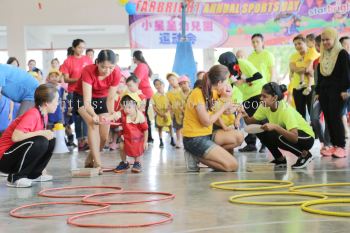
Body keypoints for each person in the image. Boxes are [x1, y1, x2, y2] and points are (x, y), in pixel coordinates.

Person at [182, 65, 243, 172]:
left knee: (239, 136)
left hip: (207, 134)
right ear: (219, 83)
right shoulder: (198, 93)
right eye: (226, 81)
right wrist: (224, 105)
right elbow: (206, 122)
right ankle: (196, 157)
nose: (228, 84)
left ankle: (206, 154)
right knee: (232, 165)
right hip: (194, 139)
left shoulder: (213, 92)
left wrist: (227, 99)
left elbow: (225, 110)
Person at [242, 82, 315, 169]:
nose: (261, 99)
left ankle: (305, 155)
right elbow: (251, 122)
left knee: (278, 135)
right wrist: (244, 114)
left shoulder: (285, 110)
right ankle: (279, 159)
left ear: (274, 98)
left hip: (307, 138)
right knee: (260, 131)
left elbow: (294, 137)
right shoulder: (264, 106)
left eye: (264, 96)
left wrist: (276, 127)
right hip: (291, 135)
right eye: (261, 95)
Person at [0, 84, 58, 188]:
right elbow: (16, 137)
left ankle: (33, 175)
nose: (57, 104)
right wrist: (41, 133)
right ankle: (15, 177)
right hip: (4, 158)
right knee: (41, 140)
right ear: (46, 103)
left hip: (14, 155)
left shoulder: (43, 115)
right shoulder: (33, 114)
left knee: (50, 140)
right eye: (56, 100)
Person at [73, 50, 121, 173]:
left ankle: (91, 156)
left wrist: (111, 114)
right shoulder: (88, 70)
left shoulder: (116, 72)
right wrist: (93, 115)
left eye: (111, 67)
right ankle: (98, 164)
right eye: (103, 67)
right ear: (97, 63)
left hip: (102, 100)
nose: (107, 71)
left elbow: (110, 98)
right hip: (82, 99)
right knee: (92, 123)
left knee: (104, 137)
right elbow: (87, 101)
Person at [218, 51, 266, 153]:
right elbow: (230, 86)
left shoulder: (242, 63)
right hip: (246, 97)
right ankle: (251, 144)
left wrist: (244, 81)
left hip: (258, 92)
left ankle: (265, 144)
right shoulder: (229, 72)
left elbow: (258, 76)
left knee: (261, 119)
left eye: (225, 65)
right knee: (248, 120)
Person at [315, 28, 350, 158]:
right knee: (329, 119)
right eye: (323, 40)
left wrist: (343, 89)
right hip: (324, 91)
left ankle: (341, 146)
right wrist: (318, 91)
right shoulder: (323, 55)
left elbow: (347, 74)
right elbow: (320, 75)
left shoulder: (342, 54)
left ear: (334, 39)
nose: (325, 42)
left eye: (327, 39)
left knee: (336, 118)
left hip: (338, 91)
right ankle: (333, 146)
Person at [60, 39, 93, 151]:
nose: (82, 50)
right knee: (78, 116)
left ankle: (87, 139)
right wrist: (79, 80)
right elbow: (66, 78)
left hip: (86, 91)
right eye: (79, 47)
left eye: (83, 47)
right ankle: (80, 140)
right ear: (74, 48)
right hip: (73, 92)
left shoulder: (87, 60)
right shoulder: (68, 61)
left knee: (87, 115)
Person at [113, 94, 148, 173]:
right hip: (126, 137)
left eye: (129, 107)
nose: (126, 110)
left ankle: (137, 163)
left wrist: (145, 142)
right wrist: (107, 118)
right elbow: (114, 115)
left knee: (137, 148)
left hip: (138, 138)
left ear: (135, 106)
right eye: (124, 107)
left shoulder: (140, 116)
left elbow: (146, 130)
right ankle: (124, 163)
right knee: (121, 146)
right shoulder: (122, 113)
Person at [309, 35, 331, 156]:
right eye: (317, 45)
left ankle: (327, 143)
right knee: (314, 117)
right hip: (317, 92)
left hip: (331, 93)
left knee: (329, 118)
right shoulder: (315, 61)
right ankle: (322, 140)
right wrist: (317, 92)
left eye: (319, 45)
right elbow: (316, 79)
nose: (318, 47)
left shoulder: (335, 58)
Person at [289, 34, 318, 119]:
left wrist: (298, 69)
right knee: (300, 114)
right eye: (295, 44)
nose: (297, 46)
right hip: (297, 87)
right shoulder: (293, 56)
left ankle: (314, 132)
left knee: (312, 113)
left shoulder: (313, 53)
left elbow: (309, 69)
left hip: (311, 86)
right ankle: (303, 132)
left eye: (299, 43)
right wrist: (303, 69)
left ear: (305, 43)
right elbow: (292, 67)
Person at [132, 50, 154, 143]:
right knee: (142, 114)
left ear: (134, 58)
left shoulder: (141, 66)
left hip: (143, 93)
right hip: (142, 93)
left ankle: (148, 137)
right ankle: (146, 137)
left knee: (143, 115)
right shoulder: (142, 65)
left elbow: (137, 80)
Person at [151, 79, 173, 148]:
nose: (158, 86)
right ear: (154, 86)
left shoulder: (168, 94)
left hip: (167, 113)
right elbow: (154, 106)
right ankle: (161, 141)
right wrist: (159, 113)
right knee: (160, 127)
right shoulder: (154, 96)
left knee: (170, 126)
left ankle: (172, 139)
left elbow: (170, 104)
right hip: (159, 114)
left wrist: (167, 112)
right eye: (156, 84)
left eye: (160, 84)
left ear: (163, 85)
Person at [166, 72, 183, 148]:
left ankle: (186, 140)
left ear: (177, 80)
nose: (171, 82)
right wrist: (170, 112)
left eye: (173, 80)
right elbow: (169, 104)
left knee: (185, 126)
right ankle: (179, 140)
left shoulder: (182, 90)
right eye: (169, 81)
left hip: (184, 112)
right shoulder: (169, 93)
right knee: (177, 127)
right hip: (175, 113)